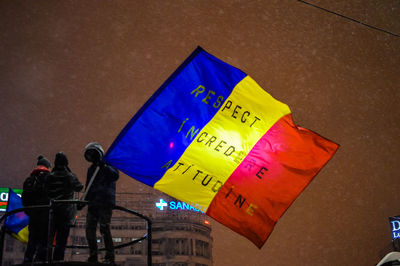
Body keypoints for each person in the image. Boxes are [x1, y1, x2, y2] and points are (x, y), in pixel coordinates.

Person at [83, 142, 119, 264]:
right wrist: (84, 201)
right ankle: (93, 254)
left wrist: (104, 165)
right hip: (93, 203)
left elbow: (115, 176)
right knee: (89, 229)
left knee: (104, 228)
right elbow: (88, 186)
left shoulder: (109, 165)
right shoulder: (91, 169)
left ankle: (109, 256)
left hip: (104, 202)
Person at [45, 152, 83, 261]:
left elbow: (46, 191)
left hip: (53, 210)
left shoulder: (50, 177)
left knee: (49, 238)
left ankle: (47, 260)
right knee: (61, 240)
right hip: (66, 212)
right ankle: (58, 260)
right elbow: (79, 187)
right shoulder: (70, 176)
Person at [21, 155, 51, 263]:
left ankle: (28, 260)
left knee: (32, 240)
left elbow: (25, 199)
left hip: (34, 215)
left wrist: (30, 211)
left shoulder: (29, 180)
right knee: (44, 241)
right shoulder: (50, 179)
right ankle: (41, 261)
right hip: (46, 215)